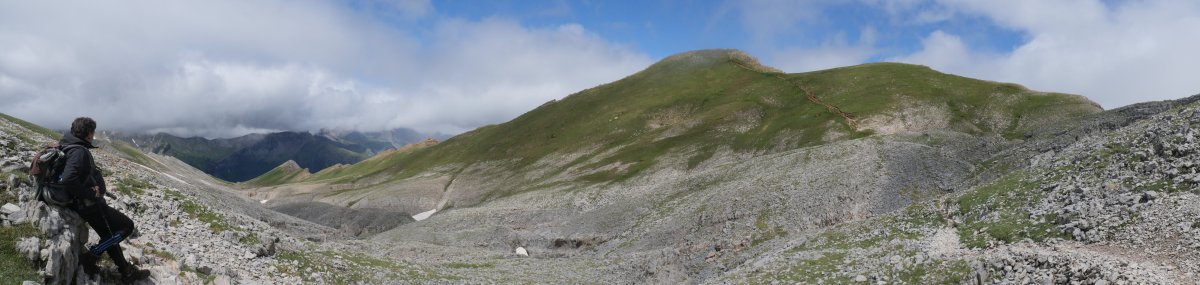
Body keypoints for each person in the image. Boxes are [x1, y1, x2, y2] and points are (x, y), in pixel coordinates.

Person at [58, 117, 151, 282]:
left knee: (108, 235)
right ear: (88, 134)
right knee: (126, 226)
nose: (93, 136)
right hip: (89, 205)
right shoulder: (79, 151)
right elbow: (68, 178)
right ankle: (92, 255)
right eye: (92, 132)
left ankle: (126, 271)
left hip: (84, 204)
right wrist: (89, 194)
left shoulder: (67, 144)